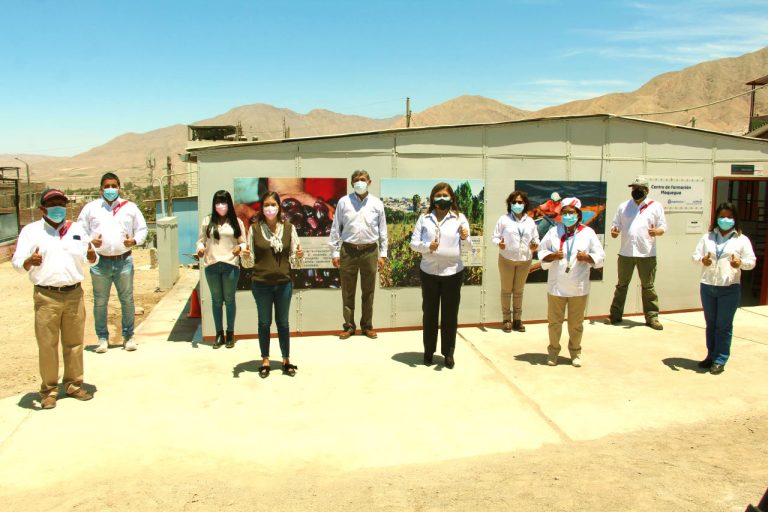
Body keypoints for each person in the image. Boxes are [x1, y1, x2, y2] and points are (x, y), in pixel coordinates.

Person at [12, 189, 98, 409]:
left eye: (61, 203)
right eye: (52, 204)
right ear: (42, 208)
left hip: (74, 294)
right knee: (47, 345)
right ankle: (49, 391)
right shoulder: (31, 231)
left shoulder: (76, 229)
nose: (58, 208)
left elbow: (90, 256)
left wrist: (93, 256)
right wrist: (29, 261)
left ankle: (73, 384)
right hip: (46, 295)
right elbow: (17, 263)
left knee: (74, 343)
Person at [77, 171, 148, 352]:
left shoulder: (130, 207)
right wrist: (91, 241)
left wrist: (134, 241)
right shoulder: (91, 208)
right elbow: (79, 231)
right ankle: (102, 338)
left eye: (113, 186)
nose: (110, 189)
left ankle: (128, 336)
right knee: (100, 301)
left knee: (127, 300)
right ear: (101, 189)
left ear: (119, 187)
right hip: (99, 263)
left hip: (124, 261)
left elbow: (142, 229)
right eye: (107, 186)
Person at [409, 182, 470, 369]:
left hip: (453, 273)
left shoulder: (459, 218)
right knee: (430, 313)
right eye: (438, 195)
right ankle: (428, 351)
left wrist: (464, 237)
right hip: (429, 272)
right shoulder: (424, 218)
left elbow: (468, 247)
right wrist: (428, 247)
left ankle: (448, 353)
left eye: (445, 195)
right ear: (432, 199)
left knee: (450, 315)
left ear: (451, 198)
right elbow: (413, 243)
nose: (441, 198)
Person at [538, 197, 605, 367]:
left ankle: (575, 352)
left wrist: (587, 257)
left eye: (571, 213)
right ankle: (553, 352)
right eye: (565, 213)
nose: (568, 216)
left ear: (578, 215)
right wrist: (553, 255)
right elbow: (541, 252)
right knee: (554, 323)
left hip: (578, 287)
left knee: (576, 324)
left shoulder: (588, 232)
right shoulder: (554, 231)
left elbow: (600, 256)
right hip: (556, 286)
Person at [691, 202, 755, 375]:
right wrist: (702, 260)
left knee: (723, 325)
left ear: (735, 219)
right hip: (708, 286)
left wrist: (740, 263)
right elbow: (695, 255)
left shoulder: (742, 240)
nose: (725, 220)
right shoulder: (707, 237)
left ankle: (720, 359)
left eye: (729, 217)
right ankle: (711, 356)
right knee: (711, 324)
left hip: (729, 288)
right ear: (716, 218)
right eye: (722, 217)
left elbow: (751, 262)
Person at [247, 191, 303, 377]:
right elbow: (249, 261)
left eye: (273, 204)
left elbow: (295, 260)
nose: (270, 208)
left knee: (283, 323)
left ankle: (286, 359)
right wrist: (245, 256)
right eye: (266, 205)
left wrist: (299, 256)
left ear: (279, 207)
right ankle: (265, 360)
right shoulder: (254, 229)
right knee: (264, 323)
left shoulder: (289, 228)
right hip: (261, 284)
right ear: (261, 208)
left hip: (283, 284)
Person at [329, 170, 388, 339]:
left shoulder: (377, 203)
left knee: (368, 291)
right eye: (356, 180)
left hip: (370, 250)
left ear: (369, 182)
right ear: (351, 183)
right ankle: (349, 326)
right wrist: (335, 252)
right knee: (348, 291)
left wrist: (383, 254)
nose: (359, 182)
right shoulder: (344, 202)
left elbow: (383, 230)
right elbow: (336, 228)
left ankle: (367, 326)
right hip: (348, 250)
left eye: (363, 179)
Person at [608, 176, 667, 330]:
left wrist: (657, 231)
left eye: (639, 189)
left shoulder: (656, 206)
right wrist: (614, 232)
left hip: (647, 253)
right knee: (621, 285)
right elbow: (615, 226)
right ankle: (615, 315)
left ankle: (652, 318)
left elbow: (663, 227)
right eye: (634, 188)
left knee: (648, 287)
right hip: (626, 252)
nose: (635, 191)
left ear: (646, 190)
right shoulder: (623, 206)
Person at [196, 190, 248, 349]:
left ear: (229, 204)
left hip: (230, 265)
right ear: (214, 204)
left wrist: (240, 248)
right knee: (217, 300)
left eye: (223, 202)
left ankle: (230, 333)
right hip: (212, 265)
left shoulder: (236, 222)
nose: (220, 206)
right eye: (217, 202)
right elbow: (201, 240)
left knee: (230, 300)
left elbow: (244, 242)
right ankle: (219, 334)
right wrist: (200, 249)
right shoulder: (207, 220)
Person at [492, 190, 540, 333]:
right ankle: (506, 319)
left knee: (519, 291)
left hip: (525, 260)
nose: (517, 204)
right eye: (514, 202)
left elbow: (535, 238)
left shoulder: (530, 221)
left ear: (525, 204)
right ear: (510, 204)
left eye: (520, 202)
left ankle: (517, 319)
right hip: (507, 258)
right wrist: (499, 243)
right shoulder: (504, 219)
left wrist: (535, 244)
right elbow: (495, 237)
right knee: (506, 290)